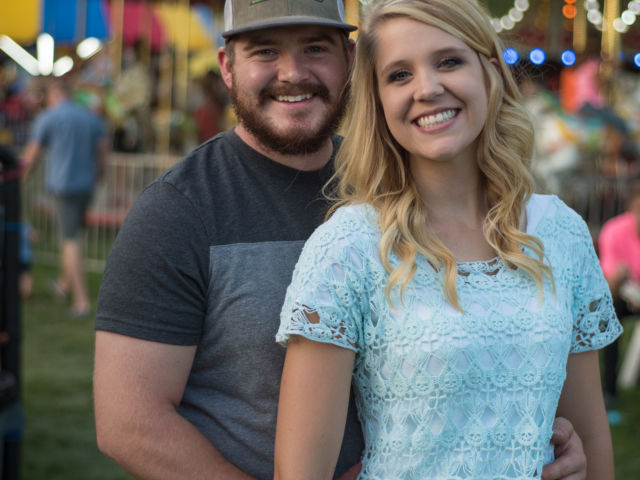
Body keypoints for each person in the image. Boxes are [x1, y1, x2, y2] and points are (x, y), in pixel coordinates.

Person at [94, 1, 588, 479]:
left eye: (314, 48)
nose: (292, 73)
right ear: (227, 66)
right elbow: (130, 424)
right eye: (265, 51)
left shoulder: (403, 180)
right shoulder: (181, 210)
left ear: (351, 61)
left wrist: (543, 443)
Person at [274, 0, 621, 479]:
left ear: (491, 72)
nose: (428, 88)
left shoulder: (559, 232)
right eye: (399, 75)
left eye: (449, 61)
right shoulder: (349, 247)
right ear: (377, 102)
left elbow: (590, 436)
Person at [21, 79, 107, 318]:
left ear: (53, 94)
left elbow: (32, 154)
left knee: (70, 241)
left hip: (63, 186)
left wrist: (18, 180)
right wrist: (99, 178)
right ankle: (63, 284)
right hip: (86, 185)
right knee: (73, 235)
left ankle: (81, 301)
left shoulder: (49, 117)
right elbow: (102, 152)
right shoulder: (90, 118)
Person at [598, 182, 640, 414]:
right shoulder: (613, 230)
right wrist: (621, 279)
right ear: (630, 209)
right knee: (609, 314)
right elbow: (607, 288)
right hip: (621, 296)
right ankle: (610, 391)